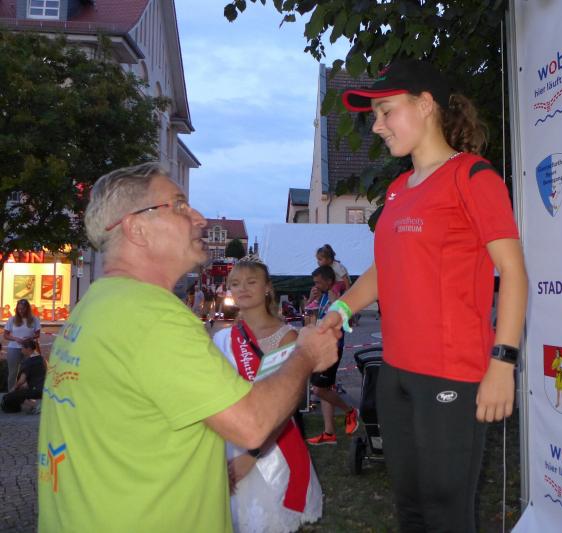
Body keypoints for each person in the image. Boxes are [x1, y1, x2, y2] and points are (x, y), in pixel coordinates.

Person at [37, 162, 339, 533]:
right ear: (136, 228)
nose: (198, 218)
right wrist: (307, 354)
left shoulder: (94, 305)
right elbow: (253, 425)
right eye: (179, 205)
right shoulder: (152, 315)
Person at [319, 59, 529, 532]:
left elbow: (514, 273)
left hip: (451, 373)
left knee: (445, 512)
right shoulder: (398, 190)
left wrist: (503, 364)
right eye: (375, 115)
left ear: (426, 105)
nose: (377, 126)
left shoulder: (473, 177)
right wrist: (340, 308)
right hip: (396, 372)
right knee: (410, 508)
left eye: (386, 112)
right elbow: (385, 269)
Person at [212, 255, 322, 533]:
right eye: (235, 283)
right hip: (231, 438)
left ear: (267, 288)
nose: (242, 288)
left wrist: (252, 455)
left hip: (274, 445)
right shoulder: (222, 338)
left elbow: (288, 402)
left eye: (251, 282)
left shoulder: (286, 337)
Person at [304, 265, 359, 446]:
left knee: (318, 389)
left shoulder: (337, 296)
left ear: (329, 281)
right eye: (314, 283)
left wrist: (338, 304)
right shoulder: (321, 296)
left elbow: (350, 322)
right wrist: (311, 300)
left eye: (318, 282)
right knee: (325, 390)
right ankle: (329, 433)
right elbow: (308, 318)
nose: (316, 285)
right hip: (320, 346)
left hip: (332, 348)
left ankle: (350, 411)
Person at [3, 299, 41, 392]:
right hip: (14, 348)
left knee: (28, 372)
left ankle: (26, 393)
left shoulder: (34, 319)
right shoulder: (12, 319)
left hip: (28, 349)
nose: (21, 311)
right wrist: (15, 338)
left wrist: (31, 337)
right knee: (13, 372)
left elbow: (37, 334)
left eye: (23, 309)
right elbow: (5, 335)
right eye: (19, 309)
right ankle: (11, 392)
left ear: (27, 309)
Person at [1, 339, 46, 413]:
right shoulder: (42, 358)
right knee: (22, 391)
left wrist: (14, 388)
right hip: (45, 389)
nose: (21, 350)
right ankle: (35, 403)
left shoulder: (28, 362)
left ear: (28, 348)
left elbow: (21, 381)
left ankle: (35, 406)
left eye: (22, 347)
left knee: (11, 396)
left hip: (37, 390)